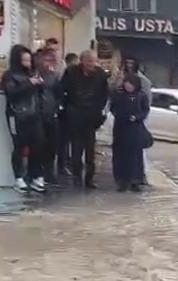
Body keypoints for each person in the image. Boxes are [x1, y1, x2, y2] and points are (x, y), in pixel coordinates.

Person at [61, 50, 109, 189]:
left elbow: (104, 95)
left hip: (91, 117)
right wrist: (67, 109)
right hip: (75, 115)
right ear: (82, 61)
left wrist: (100, 114)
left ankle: (89, 179)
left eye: (94, 61)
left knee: (90, 151)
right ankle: (77, 177)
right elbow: (63, 91)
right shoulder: (71, 72)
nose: (92, 64)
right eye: (89, 61)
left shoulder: (101, 75)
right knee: (76, 150)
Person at [2, 44, 45, 193]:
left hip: (34, 115)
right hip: (17, 115)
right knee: (19, 147)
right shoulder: (9, 75)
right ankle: (18, 177)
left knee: (38, 145)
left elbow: (40, 94)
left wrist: (39, 84)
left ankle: (35, 176)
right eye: (24, 61)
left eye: (29, 60)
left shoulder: (33, 73)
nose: (28, 64)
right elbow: (11, 93)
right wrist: (29, 83)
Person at [110, 55, 153, 185]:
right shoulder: (119, 85)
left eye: (131, 63)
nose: (129, 65)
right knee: (120, 152)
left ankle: (137, 177)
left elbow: (146, 106)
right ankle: (122, 178)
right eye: (127, 63)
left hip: (136, 126)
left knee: (136, 153)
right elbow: (113, 103)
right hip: (121, 126)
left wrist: (138, 117)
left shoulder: (142, 86)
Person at [36, 48, 63, 185]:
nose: (48, 63)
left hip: (51, 114)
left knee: (51, 146)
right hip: (37, 114)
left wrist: (57, 109)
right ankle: (37, 172)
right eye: (46, 60)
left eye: (50, 60)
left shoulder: (55, 76)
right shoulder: (34, 74)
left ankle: (49, 172)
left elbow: (59, 95)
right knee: (38, 144)